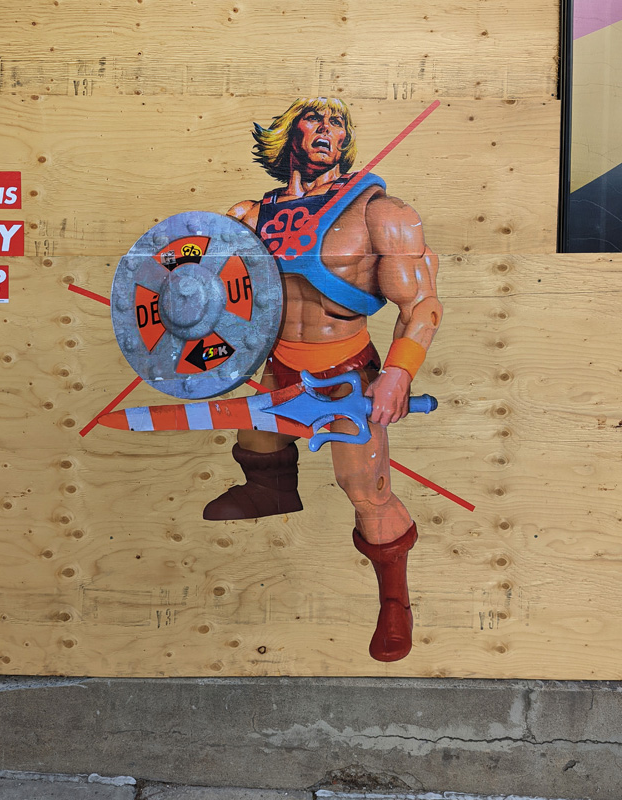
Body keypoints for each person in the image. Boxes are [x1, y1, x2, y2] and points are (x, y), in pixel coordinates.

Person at [204, 98, 442, 662]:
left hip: (346, 374)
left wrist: (397, 375)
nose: (327, 129)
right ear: (289, 134)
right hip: (277, 367)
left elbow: (423, 305)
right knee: (255, 440)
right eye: (315, 119)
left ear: (344, 142)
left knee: (364, 490)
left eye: (338, 123)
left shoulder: (380, 213)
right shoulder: (247, 216)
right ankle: (271, 491)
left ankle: (394, 600)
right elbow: (210, 294)